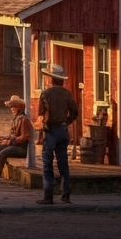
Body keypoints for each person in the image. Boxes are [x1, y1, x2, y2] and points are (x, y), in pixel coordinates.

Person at [35, 62, 79, 205]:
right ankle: (66, 194)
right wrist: (66, 122)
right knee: (63, 163)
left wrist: (42, 129)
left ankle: (48, 195)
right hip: (63, 130)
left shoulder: (46, 94)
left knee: (47, 164)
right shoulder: (67, 94)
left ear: (51, 79)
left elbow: (41, 114)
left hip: (51, 131)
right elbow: (74, 112)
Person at [0, 95, 33, 184]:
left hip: (21, 148)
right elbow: (13, 134)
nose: (12, 108)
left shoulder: (24, 119)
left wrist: (10, 141)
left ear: (19, 107)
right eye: (11, 106)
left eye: (14, 106)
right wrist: (6, 137)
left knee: (2, 153)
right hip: (13, 144)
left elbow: (24, 137)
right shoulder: (16, 119)